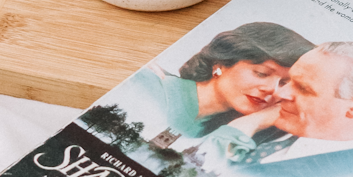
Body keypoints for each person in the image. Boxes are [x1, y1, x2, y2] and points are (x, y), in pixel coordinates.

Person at [191, 41, 353, 177]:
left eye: (303, 88)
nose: (279, 92)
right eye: (289, 81)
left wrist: (242, 127)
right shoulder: (288, 122)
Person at [127, 22, 314, 143]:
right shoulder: (146, 87)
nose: (271, 90)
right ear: (222, 63)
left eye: (284, 84)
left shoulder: (223, 133)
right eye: (262, 73)